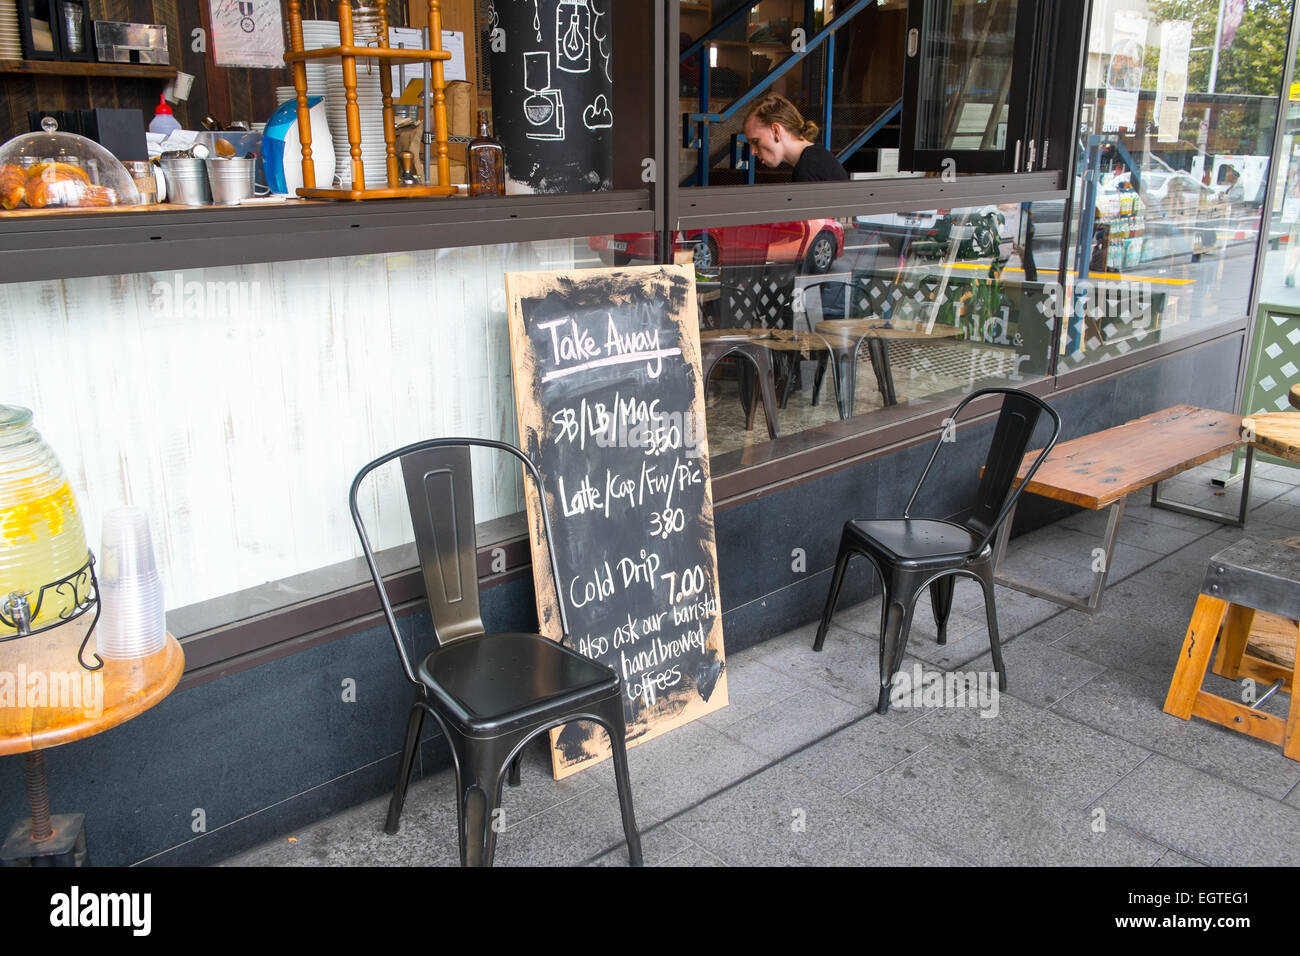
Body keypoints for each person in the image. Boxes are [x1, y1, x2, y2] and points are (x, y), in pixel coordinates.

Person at [742, 93, 848, 183]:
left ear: (776, 131)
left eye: (755, 141)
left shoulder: (807, 169)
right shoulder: (818, 158)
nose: (752, 151)